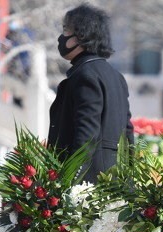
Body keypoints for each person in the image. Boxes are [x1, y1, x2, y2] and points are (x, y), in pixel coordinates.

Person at [48, 5, 134, 183]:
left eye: (65, 31)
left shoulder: (85, 75)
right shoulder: (115, 76)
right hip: (113, 179)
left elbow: (86, 135)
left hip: (88, 184)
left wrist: (69, 181)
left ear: (81, 36)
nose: (61, 38)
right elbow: (128, 133)